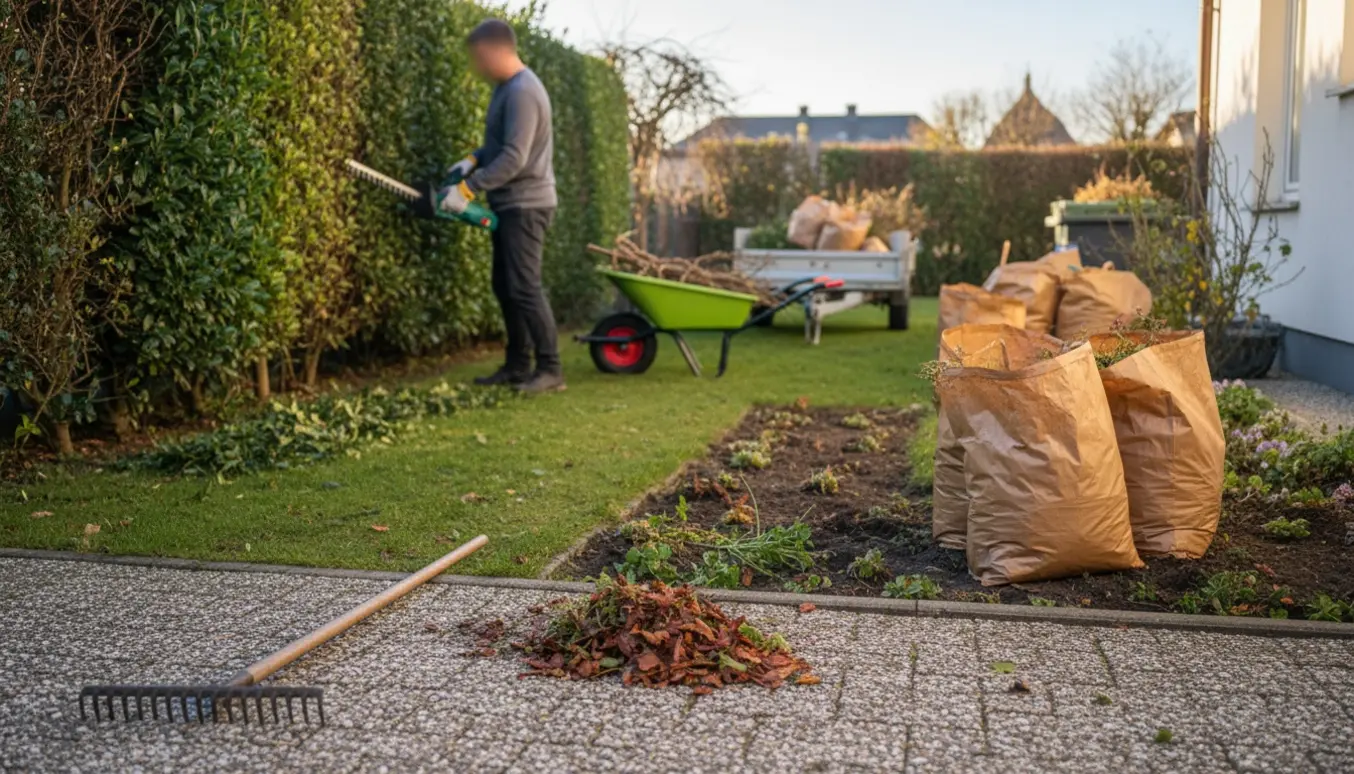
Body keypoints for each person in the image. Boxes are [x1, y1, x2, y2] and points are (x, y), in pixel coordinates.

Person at [441, 18, 563, 394]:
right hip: (510, 203)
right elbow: (498, 147)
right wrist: (473, 160)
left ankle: (550, 368)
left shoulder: (524, 90)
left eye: (478, 58)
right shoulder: (506, 89)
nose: (475, 67)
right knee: (506, 286)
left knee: (525, 286)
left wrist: (468, 188)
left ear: (496, 51)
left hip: (527, 204)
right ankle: (516, 365)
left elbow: (515, 157)